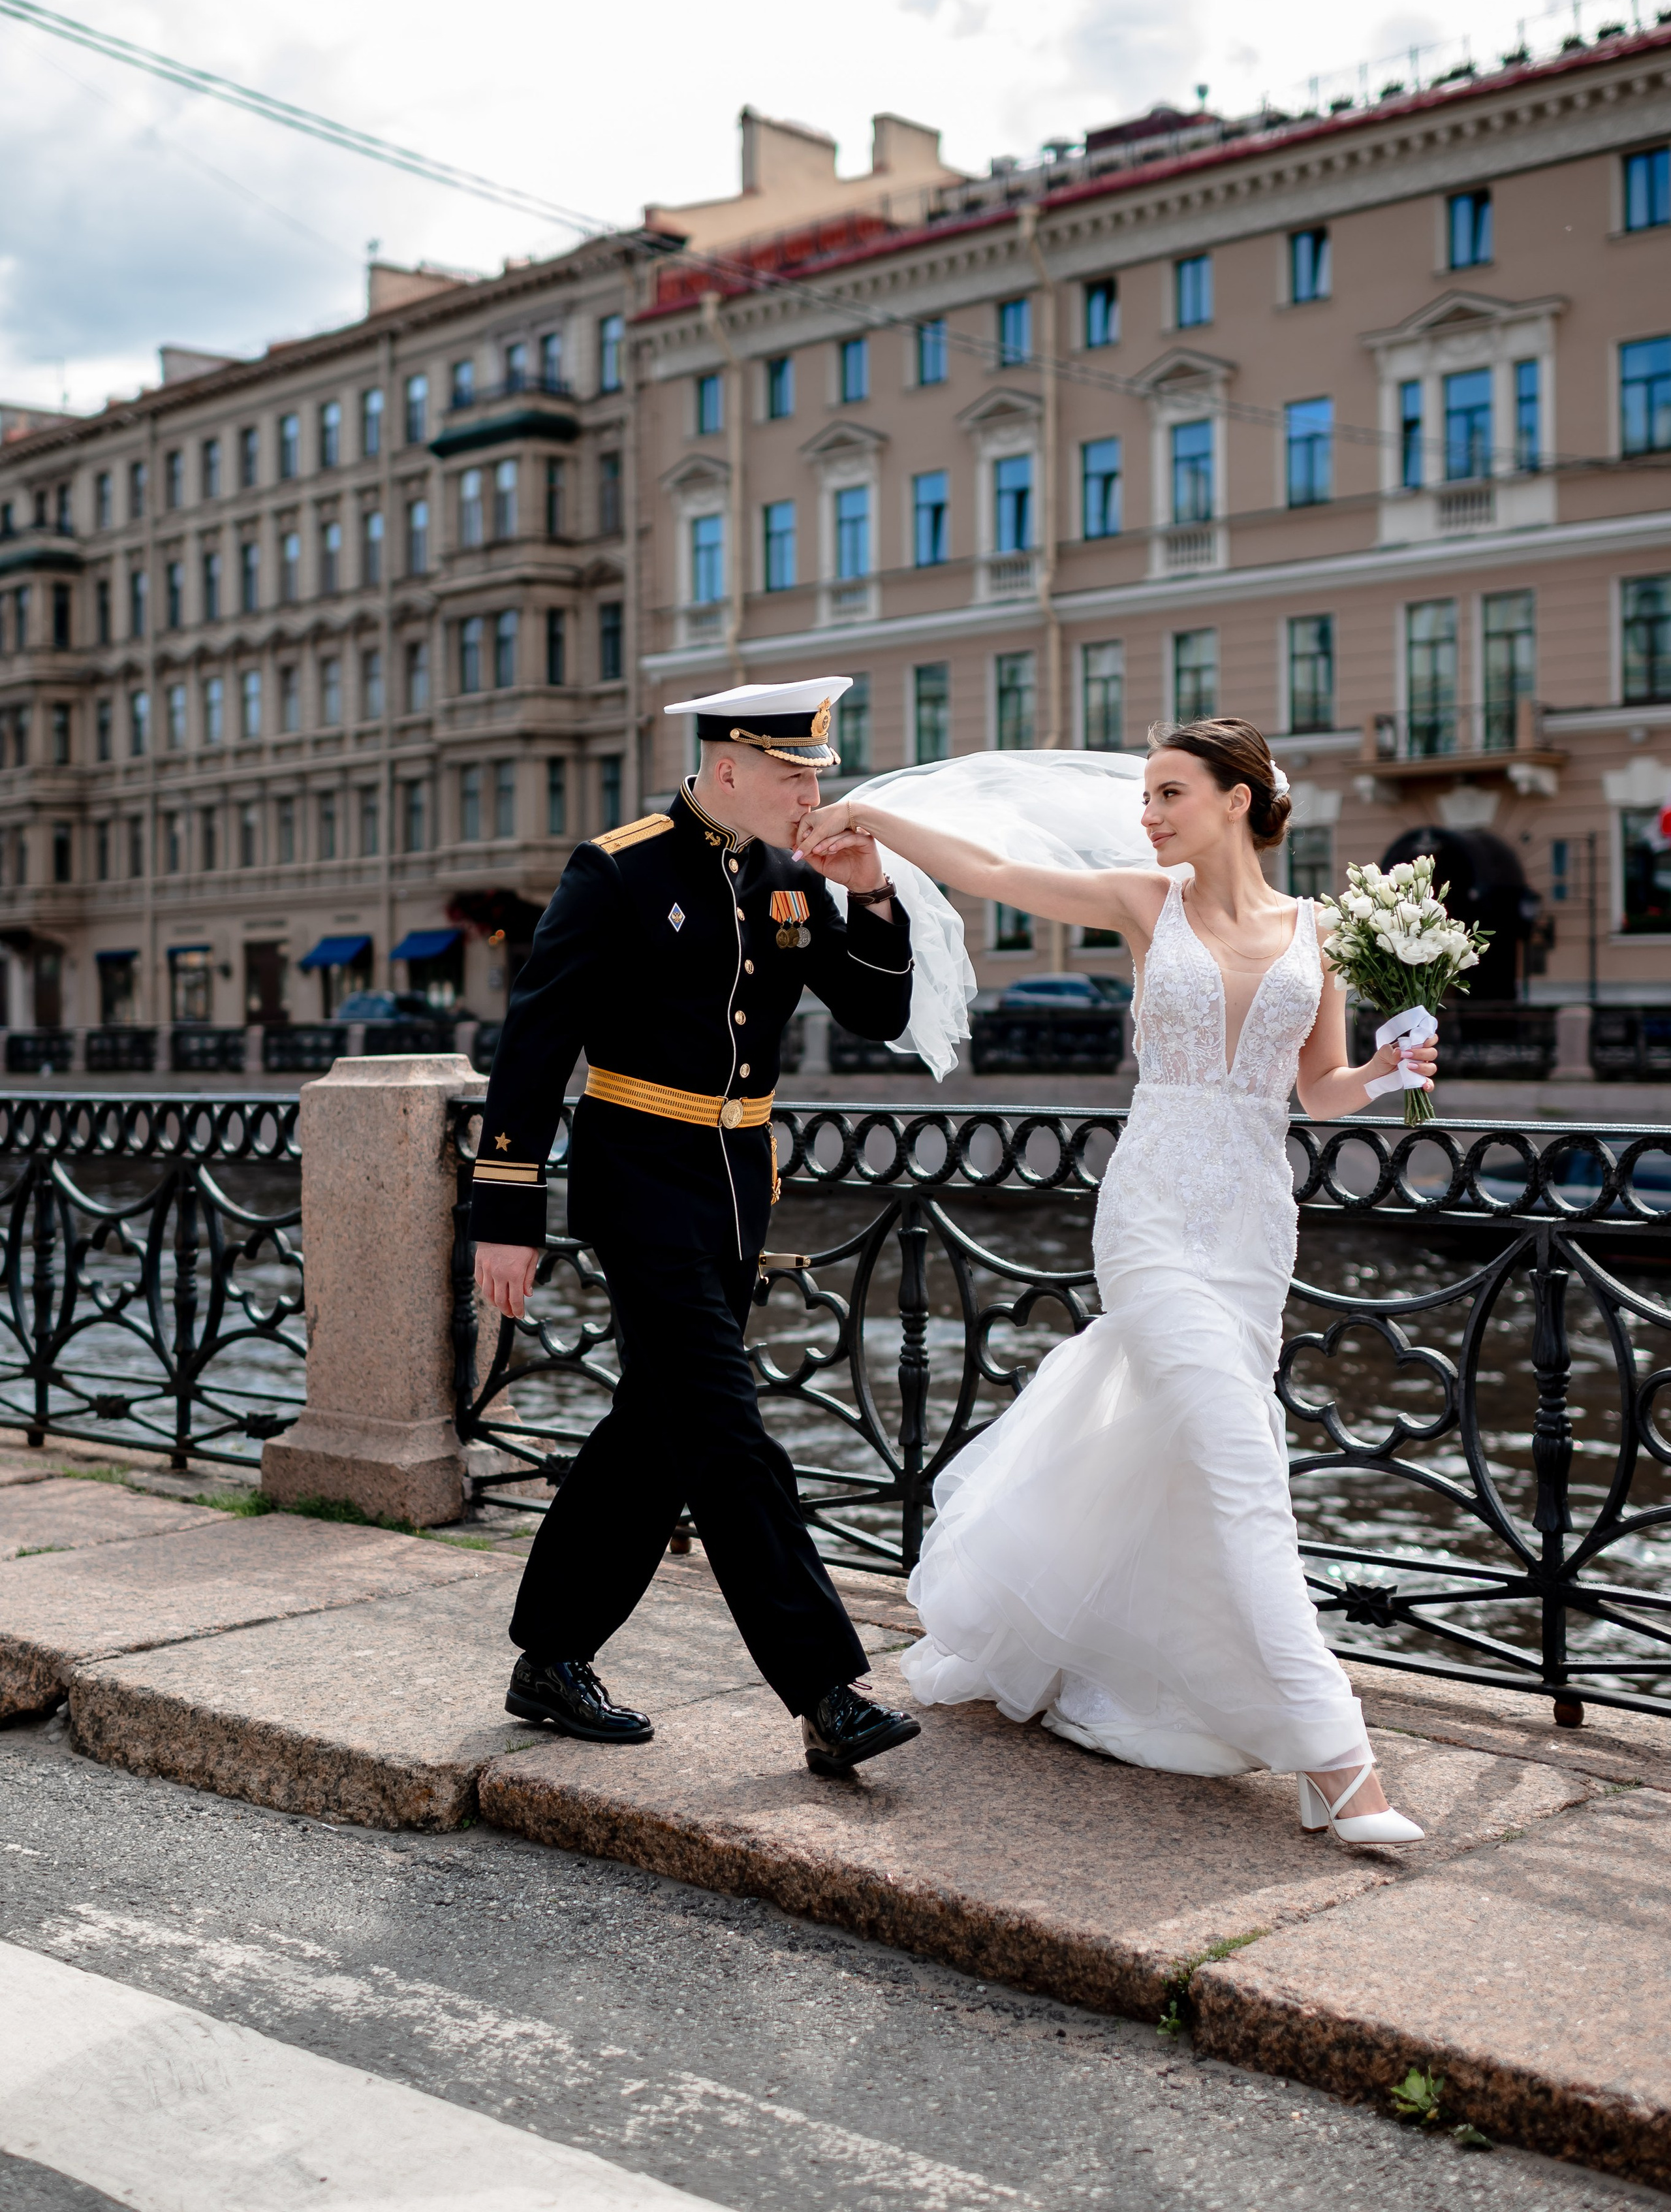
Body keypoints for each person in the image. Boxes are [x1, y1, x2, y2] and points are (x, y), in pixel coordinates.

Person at [794, 716, 1437, 1846]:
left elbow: (1321, 1091)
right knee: (1247, 1470)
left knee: (1196, 1457)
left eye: (1170, 792)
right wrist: (873, 817)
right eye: (1145, 794)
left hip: (1252, 1231)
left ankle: (1136, 1659)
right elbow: (993, 871)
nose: (1148, 813)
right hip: (1150, 1218)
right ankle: (1341, 1762)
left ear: (1239, 800)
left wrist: (1389, 1072)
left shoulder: (1319, 933)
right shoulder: (1149, 903)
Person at [470, 676, 923, 1778]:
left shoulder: (789, 877)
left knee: (657, 1431)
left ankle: (550, 1656)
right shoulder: (617, 868)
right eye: (795, 770)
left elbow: (879, 1014)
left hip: (735, 1186)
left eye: (818, 769)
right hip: (640, 1183)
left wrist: (871, 903)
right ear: (729, 768)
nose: (816, 787)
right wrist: (506, 1211)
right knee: (727, 1427)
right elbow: (536, 1045)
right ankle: (827, 1687)